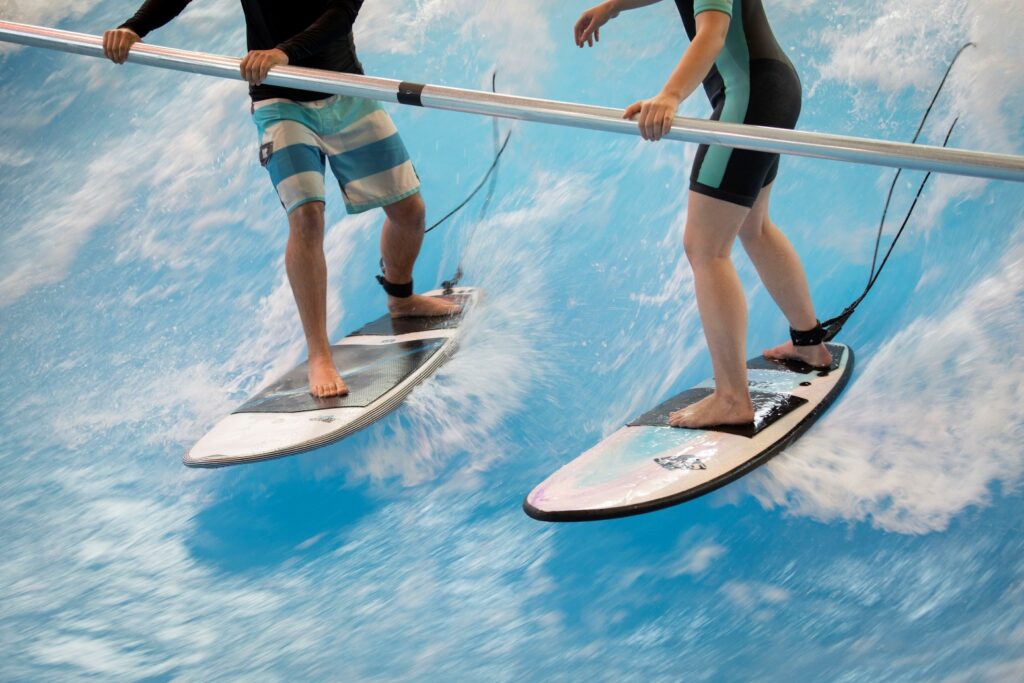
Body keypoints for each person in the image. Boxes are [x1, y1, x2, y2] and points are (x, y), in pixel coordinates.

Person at [103, 0, 459, 399]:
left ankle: (401, 299)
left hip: (344, 90)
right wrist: (135, 28)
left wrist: (282, 52)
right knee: (306, 217)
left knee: (408, 209)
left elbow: (339, 15)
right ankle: (319, 354)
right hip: (279, 100)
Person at [574, 0, 832, 428]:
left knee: (705, 248)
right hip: (770, 89)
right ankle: (809, 344)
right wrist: (615, 7)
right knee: (755, 227)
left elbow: (712, 30)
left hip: (748, 96)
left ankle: (732, 399)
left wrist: (669, 96)